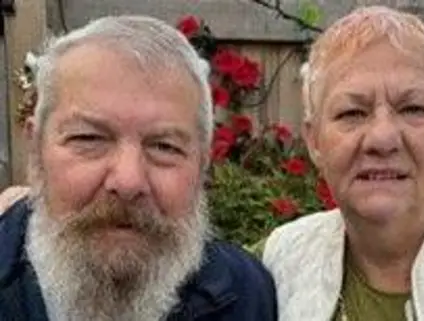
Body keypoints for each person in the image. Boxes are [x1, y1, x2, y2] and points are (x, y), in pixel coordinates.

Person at [0, 15, 277, 321]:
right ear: (35, 149)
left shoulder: (245, 295)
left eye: (164, 147)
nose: (129, 181)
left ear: (202, 165)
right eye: (89, 138)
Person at [263, 5, 424, 321]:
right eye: (352, 113)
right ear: (314, 141)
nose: (382, 138)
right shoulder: (278, 266)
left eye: (413, 109)